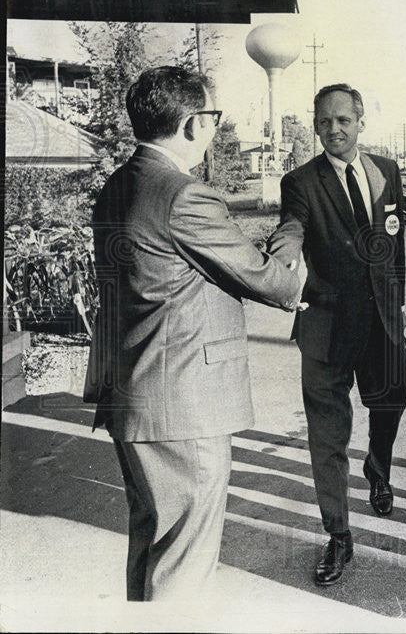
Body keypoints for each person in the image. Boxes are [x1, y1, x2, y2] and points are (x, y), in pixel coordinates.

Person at [83, 66, 301, 601]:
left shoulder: (117, 187)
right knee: (184, 567)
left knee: (152, 548)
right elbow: (267, 280)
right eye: (213, 117)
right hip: (183, 405)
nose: (214, 129)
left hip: (135, 396)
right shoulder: (184, 195)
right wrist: (292, 235)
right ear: (191, 124)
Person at [267, 83, 406, 586]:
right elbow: (292, 227)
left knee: (390, 404)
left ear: (361, 121)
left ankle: (378, 467)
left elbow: (395, 246)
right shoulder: (300, 181)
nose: (333, 130)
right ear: (315, 125)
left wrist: (401, 306)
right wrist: (281, 253)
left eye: (343, 120)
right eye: (324, 122)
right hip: (326, 324)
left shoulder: (386, 171)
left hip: (382, 321)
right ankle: (338, 535)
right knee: (328, 436)